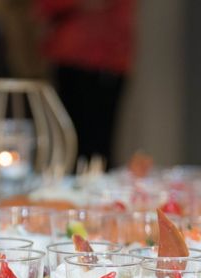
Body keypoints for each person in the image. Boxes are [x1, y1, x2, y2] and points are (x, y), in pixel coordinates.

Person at [35, 0, 135, 169]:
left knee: (102, 142)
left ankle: (99, 189)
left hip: (111, 57)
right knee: (71, 140)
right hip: (72, 58)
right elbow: (44, 7)